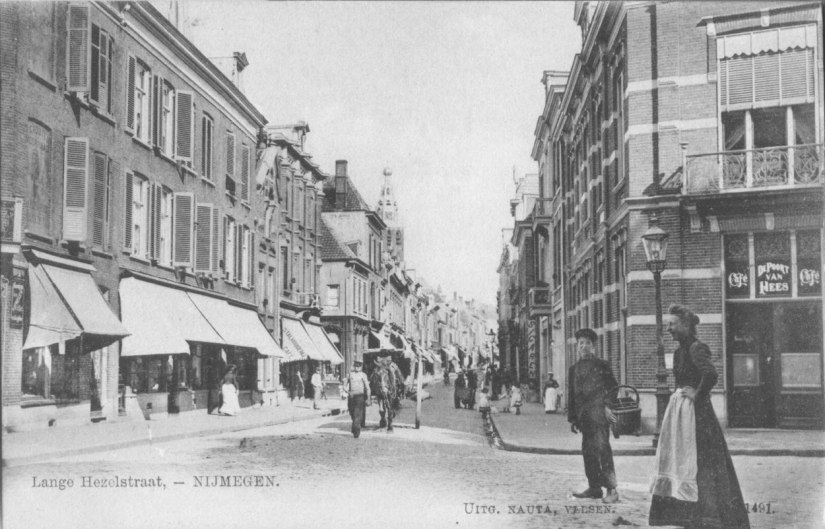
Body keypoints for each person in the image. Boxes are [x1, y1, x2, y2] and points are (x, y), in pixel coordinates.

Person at [649, 305, 750, 528]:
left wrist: (697, 394)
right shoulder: (678, 352)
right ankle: (689, 517)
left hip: (698, 416)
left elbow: (711, 374)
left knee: (702, 464)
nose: (669, 329)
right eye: (668, 324)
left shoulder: (696, 348)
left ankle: (710, 519)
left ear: (686, 325)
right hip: (682, 416)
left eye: (673, 324)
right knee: (684, 462)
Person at [568, 327, 620, 504]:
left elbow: (613, 388)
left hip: (599, 415)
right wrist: (573, 418)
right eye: (581, 343)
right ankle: (595, 487)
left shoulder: (602, 365)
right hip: (584, 418)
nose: (583, 347)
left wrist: (608, 406)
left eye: (587, 343)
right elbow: (572, 395)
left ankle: (612, 489)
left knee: (603, 449)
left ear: (593, 346)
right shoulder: (573, 369)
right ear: (577, 346)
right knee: (588, 452)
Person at [343, 359, 371, 438]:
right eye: (356, 365)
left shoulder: (363, 375)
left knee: (357, 414)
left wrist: (368, 397)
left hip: (360, 397)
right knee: (352, 413)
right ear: (354, 366)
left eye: (359, 366)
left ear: (361, 366)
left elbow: (367, 388)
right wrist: (348, 392)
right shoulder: (350, 374)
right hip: (351, 397)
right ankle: (355, 426)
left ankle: (356, 431)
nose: (357, 367)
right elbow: (344, 386)